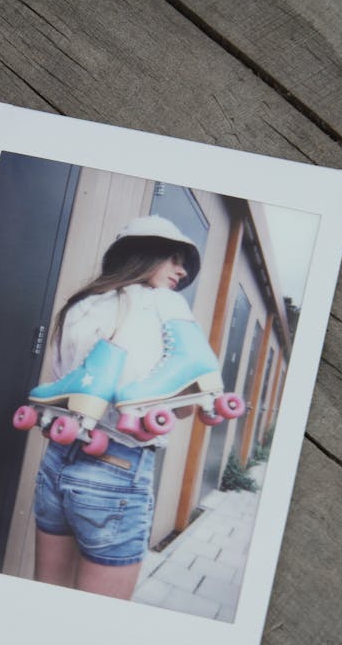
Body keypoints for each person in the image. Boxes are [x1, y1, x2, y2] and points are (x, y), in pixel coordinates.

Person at [26, 215, 217, 600]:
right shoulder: (162, 305)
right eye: (174, 258)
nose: (181, 271)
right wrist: (181, 404)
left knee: (47, 599)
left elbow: (68, 385)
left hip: (58, 458)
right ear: (143, 254)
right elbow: (170, 402)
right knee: (97, 621)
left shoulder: (81, 305)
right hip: (118, 468)